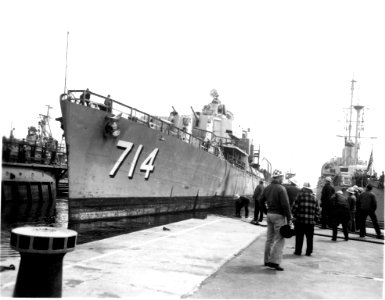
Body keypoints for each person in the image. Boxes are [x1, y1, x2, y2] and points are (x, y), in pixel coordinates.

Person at [260, 169, 292, 271]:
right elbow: (285, 205)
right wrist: (289, 218)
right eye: (282, 177)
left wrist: (266, 211)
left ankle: (267, 260)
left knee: (269, 239)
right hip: (279, 216)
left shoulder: (267, 188)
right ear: (278, 178)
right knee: (280, 239)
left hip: (270, 215)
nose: (283, 178)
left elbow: (260, 200)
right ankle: (274, 262)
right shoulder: (281, 188)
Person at [291, 182, 320, 256]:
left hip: (300, 221)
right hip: (310, 222)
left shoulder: (299, 196)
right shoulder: (314, 198)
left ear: (304, 189)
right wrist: (315, 218)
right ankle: (308, 252)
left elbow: (294, 209)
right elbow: (318, 210)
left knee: (299, 237)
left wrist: (295, 215)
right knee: (309, 238)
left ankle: (298, 251)